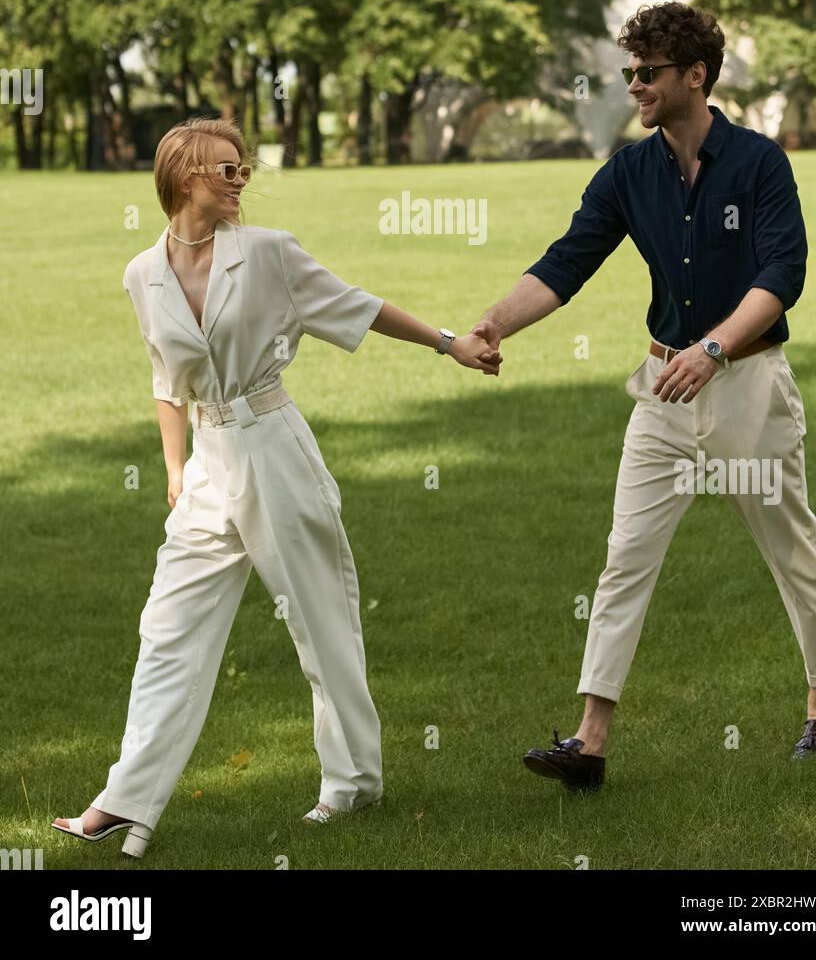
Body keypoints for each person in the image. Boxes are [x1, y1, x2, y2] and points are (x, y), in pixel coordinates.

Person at [53, 117, 501, 858]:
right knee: (166, 633)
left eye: (242, 169)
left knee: (321, 619)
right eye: (225, 169)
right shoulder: (143, 272)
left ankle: (351, 782)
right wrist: (173, 468)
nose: (239, 180)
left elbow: (357, 305)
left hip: (275, 448)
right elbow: (167, 381)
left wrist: (449, 343)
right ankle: (124, 799)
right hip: (207, 465)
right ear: (184, 173)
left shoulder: (267, 254)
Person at [470, 1, 816, 793]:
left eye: (649, 74)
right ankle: (590, 740)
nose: (635, 87)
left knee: (792, 550)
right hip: (664, 391)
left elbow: (783, 277)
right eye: (629, 73)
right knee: (624, 559)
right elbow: (567, 262)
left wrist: (715, 349)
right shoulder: (628, 173)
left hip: (747, 386)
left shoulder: (759, 164)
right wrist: (495, 324)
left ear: (695, 76)